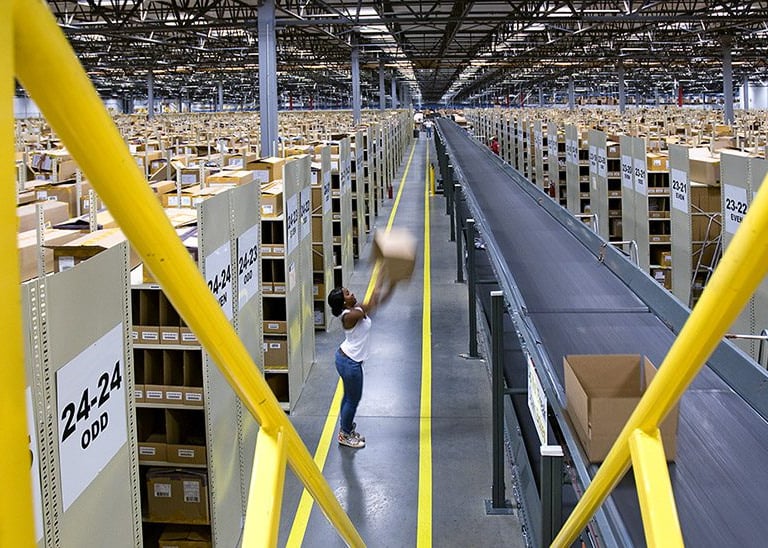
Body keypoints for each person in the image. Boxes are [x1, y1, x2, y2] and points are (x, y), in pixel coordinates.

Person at [327, 278, 395, 448]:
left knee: (348, 396)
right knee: (353, 399)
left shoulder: (353, 309)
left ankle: (346, 428)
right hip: (349, 363)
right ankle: (344, 434)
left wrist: (385, 280)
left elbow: (374, 301)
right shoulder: (349, 316)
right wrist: (383, 277)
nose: (352, 294)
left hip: (346, 359)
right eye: (348, 294)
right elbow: (372, 304)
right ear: (343, 302)